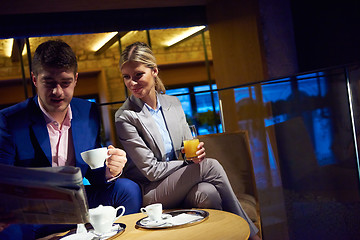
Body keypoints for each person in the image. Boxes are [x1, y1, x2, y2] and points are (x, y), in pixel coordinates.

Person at [115, 41, 261, 240]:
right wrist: (186, 162)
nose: (132, 82)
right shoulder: (125, 117)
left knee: (208, 193)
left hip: (181, 182)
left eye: (138, 75)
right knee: (212, 166)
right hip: (151, 191)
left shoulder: (173, 104)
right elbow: (150, 170)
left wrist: (195, 153)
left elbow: (187, 146)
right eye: (127, 77)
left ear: (154, 71)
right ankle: (251, 235)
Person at [0, 40, 142, 239]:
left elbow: (93, 172)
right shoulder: (10, 119)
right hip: (34, 212)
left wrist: (110, 170)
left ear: (75, 79)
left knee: (127, 189)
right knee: (8, 230)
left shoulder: (88, 111)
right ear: (34, 79)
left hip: (78, 202)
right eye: (48, 83)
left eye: (65, 83)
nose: (57, 92)